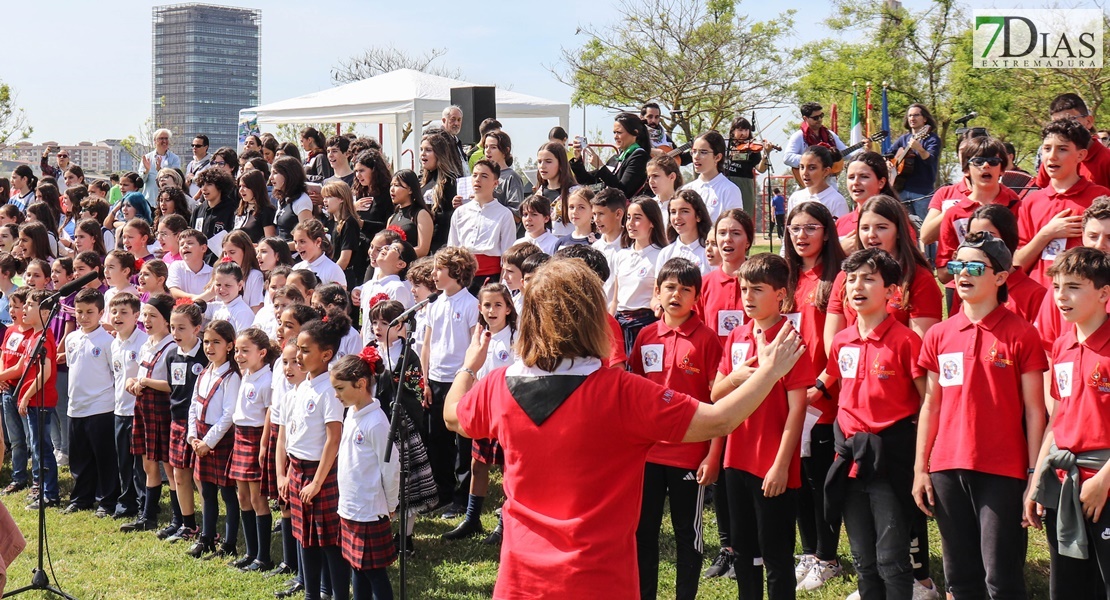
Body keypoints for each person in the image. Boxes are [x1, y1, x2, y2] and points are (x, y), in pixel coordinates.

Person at [442, 258, 805, 597]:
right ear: (593, 317)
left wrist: (470, 366)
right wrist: (769, 371)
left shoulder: (498, 386)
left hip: (520, 578)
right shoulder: (620, 392)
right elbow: (720, 419)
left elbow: (453, 416)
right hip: (600, 578)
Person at [915, 231, 1047, 599]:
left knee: (1001, 578)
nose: (962, 274)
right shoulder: (940, 333)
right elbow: (932, 404)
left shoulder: (1021, 334)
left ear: (1001, 277)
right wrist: (920, 468)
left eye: (974, 266)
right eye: (957, 266)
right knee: (960, 578)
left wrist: (1034, 473)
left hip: (1002, 471)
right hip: (946, 468)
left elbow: (1036, 411)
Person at [821, 248, 925, 600]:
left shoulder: (906, 341)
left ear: (892, 292)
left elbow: (928, 401)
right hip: (850, 458)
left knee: (891, 560)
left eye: (868, 278)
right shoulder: (841, 340)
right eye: (851, 279)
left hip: (890, 460)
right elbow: (834, 384)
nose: (857, 286)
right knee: (863, 559)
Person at [711, 252, 811, 600]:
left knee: (777, 557)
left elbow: (798, 409)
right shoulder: (737, 336)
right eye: (743, 289)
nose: (748, 298)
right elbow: (715, 393)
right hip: (735, 460)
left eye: (757, 289)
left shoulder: (790, 341)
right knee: (745, 552)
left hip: (772, 464)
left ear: (780, 294)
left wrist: (782, 465)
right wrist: (737, 377)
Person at [630, 258, 723, 600]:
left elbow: (718, 405)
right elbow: (634, 396)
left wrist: (713, 455)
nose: (676, 295)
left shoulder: (708, 340)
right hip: (648, 455)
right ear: (657, 291)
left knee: (688, 534)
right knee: (643, 532)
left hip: (689, 455)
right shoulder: (645, 336)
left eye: (686, 290)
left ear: (696, 297)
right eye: (670, 287)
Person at [1031, 246, 1110, 599]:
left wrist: (1105, 480)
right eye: (1058, 286)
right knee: (1069, 587)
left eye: (1074, 287)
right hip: (1065, 484)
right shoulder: (1062, 346)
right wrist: (1037, 479)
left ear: (1104, 293)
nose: (1062, 296)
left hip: (1102, 483)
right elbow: (1058, 416)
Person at [782, 201, 846, 591]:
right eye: (795, 228)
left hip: (823, 395)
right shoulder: (785, 277)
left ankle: (827, 556)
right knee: (799, 478)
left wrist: (820, 386)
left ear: (826, 231)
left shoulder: (838, 277)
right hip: (791, 395)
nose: (802, 236)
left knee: (822, 480)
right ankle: (809, 553)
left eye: (810, 228)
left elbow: (841, 346)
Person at [278, 312, 352, 600]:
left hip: (319, 473)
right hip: (298, 470)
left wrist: (317, 482)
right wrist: (284, 473)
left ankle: (337, 595)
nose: (298, 356)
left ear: (326, 354)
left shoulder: (329, 390)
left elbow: (333, 439)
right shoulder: (301, 385)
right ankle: (312, 594)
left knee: (329, 542)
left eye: (305, 351)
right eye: (298, 348)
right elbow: (291, 435)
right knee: (305, 538)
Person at [441, 283, 518, 543]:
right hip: (482, 408)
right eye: (487, 305)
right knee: (478, 464)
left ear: (508, 308)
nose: (492, 310)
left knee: (509, 468)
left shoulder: (515, 338)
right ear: (479, 308)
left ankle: (504, 523)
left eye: (498, 305)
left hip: (507, 411)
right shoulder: (479, 338)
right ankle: (472, 518)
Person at [331, 349, 399, 599]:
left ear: (360, 384)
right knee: (356, 567)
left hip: (370, 510)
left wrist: (391, 503)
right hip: (350, 506)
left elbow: (391, 468)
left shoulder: (377, 423)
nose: (336, 395)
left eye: (340, 389)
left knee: (374, 573)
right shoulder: (351, 413)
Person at [1015, 118, 1110, 288]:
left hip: (1087, 299)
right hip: (1039, 298)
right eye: (1046, 149)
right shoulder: (1030, 202)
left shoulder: (1100, 197)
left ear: (1081, 155)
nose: (1052, 156)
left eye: (1062, 149)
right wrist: (1046, 234)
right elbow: (1017, 264)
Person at [421, 247, 480, 514]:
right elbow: (427, 345)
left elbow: (474, 344)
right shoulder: (435, 303)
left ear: (456, 271)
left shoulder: (470, 304)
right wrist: (425, 381)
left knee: (462, 441)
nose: (433, 274)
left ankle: (461, 496)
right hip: (435, 379)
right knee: (438, 441)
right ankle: (441, 493)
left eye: (438, 269)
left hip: (460, 382)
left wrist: (469, 378)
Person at [186, 320, 242, 559]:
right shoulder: (204, 372)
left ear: (229, 345)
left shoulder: (231, 377)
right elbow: (193, 406)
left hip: (220, 439)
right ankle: (206, 538)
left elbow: (228, 415)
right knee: (206, 491)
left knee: (228, 494)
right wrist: (192, 436)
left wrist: (208, 442)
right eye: (207, 342)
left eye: (216, 342)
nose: (210, 347)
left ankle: (229, 543)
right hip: (200, 437)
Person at [62, 289, 120, 517]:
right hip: (76, 407)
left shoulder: (108, 341)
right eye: (79, 312)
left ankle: (107, 500)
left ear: (101, 313)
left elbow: (113, 374)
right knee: (80, 458)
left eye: (89, 312)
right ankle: (81, 498)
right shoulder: (72, 338)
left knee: (104, 457)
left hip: (101, 407)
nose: (84, 317)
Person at [447, 160, 518, 294]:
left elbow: (507, 256)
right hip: (462, 278)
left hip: (491, 278)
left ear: (495, 183)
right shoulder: (460, 212)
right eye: (475, 175)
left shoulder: (504, 214)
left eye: (484, 176)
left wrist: (503, 287)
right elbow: (452, 251)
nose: (477, 180)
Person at [611, 198, 668, 356]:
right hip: (620, 325)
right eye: (628, 217)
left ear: (652, 222)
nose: (630, 223)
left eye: (637, 218)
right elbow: (616, 300)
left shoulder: (661, 255)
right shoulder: (621, 255)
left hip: (646, 323)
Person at [108, 293, 147, 519]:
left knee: (140, 463)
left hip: (137, 410)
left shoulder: (142, 342)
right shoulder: (114, 343)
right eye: (114, 312)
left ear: (136, 315)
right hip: (120, 410)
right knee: (123, 460)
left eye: (124, 312)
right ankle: (127, 502)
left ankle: (145, 503)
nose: (118, 316)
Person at [1032, 93, 1110, 190]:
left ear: (1089, 121)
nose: (1064, 128)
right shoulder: (1052, 160)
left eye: (1071, 120)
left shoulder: (1106, 160)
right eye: (1057, 124)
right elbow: (1044, 193)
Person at [570, 112, 651, 198]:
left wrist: (601, 166)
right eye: (614, 132)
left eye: (619, 132)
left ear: (635, 133)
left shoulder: (639, 156)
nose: (615, 136)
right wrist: (577, 159)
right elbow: (587, 181)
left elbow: (622, 191)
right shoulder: (616, 158)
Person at [0, 288, 30, 496]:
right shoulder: (11, 331)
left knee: (31, 439)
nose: (13, 310)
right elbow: (3, 354)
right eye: (10, 306)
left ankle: (38, 480)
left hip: (24, 389)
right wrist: (1, 375)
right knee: (16, 439)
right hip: (7, 389)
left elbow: (21, 366)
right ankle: (18, 476)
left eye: (17, 307)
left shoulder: (32, 334)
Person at [888, 104, 941, 220]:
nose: (912, 118)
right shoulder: (903, 139)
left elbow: (930, 159)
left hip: (922, 193)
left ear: (925, 119)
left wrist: (920, 149)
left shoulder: (932, 139)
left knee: (924, 228)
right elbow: (888, 154)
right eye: (910, 116)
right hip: (901, 190)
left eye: (916, 115)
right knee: (904, 227)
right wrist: (888, 163)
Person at [784, 103, 851, 187]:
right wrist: (812, 160)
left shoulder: (830, 135)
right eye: (815, 118)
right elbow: (787, 157)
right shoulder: (798, 136)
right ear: (805, 118)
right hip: (807, 187)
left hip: (830, 185)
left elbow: (845, 154)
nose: (819, 119)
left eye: (821, 116)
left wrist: (864, 149)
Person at [682, 131, 744, 223]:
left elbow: (734, 226)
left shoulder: (730, 190)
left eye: (703, 152)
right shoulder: (687, 189)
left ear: (717, 157)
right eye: (694, 152)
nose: (696, 157)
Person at [420, 131, 465, 254]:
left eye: (428, 150)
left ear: (439, 154)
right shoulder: (423, 181)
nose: (423, 154)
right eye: (421, 149)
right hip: (423, 242)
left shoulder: (450, 181)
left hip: (440, 246)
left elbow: (451, 216)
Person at [723, 117, 772, 216]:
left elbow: (761, 169)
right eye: (740, 130)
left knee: (744, 215)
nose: (744, 133)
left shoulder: (752, 148)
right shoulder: (724, 144)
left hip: (744, 184)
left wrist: (766, 154)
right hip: (725, 181)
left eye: (746, 130)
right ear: (733, 131)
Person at [657, 189, 713, 275]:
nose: (677, 217)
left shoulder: (710, 252)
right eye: (673, 212)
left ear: (698, 216)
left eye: (684, 211)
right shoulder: (666, 253)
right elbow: (658, 287)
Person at [787, 146, 850, 219]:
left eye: (812, 168)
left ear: (826, 171)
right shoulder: (795, 198)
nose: (805, 173)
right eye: (802, 167)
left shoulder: (836, 201)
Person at [386, 169, 433, 258]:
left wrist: (396, 255)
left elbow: (423, 249)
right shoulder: (392, 218)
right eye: (391, 185)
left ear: (410, 190)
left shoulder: (421, 214)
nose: (392, 189)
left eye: (397, 185)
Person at [534, 142, 578, 237]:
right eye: (539, 161)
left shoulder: (575, 193)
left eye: (548, 161)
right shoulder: (538, 194)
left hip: (568, 247)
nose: (542, 166)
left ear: (561, 164)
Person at [191, 167, 237, 252]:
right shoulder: (198, 210)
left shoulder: (232, 209)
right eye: (202, 185)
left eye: (209, 184)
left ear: (220, 186)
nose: (204, 188)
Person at [292, 220, 346, 288]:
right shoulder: (296, 269)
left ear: (318, 242)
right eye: (295, 242)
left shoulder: (333, 270)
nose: (297, 247)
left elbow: (340, 297)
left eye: (302, 242)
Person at [271, 156, 314, 242]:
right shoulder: (282, 199)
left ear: (288, 174)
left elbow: (307, 239)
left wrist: (279, 246)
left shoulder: (302, 200)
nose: (271, 178)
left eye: (275, 173)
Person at [483, 131, 525, 215]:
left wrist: (489, 204)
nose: (487, 151)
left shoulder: (511, 177)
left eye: (493, 147)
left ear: (506, 150)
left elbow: (516, 214)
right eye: (486, 147)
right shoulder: (480, 176)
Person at [141, 130, 182, 208]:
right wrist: (146, 171)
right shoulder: (147, 158)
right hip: (150, 202)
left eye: (166, 138)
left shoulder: (174, 158)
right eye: (161, 138)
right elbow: (141, 181)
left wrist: (160, 170)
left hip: (169, 202)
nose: (164, 141)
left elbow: (177, 179)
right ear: (155, 141)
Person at [167, 230, 212, 300]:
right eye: (181, 245)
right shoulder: (176, 266)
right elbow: (173, 291)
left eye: (190, 243)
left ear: (203, 248)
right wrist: (195, 298)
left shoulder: (212, 273)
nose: (185, 246)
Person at [441, 105, 467, 171]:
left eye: (459, 120)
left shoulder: (456, 141)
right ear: (444, 120)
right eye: (453, 119)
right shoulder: (439, 141)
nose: (456, 123)